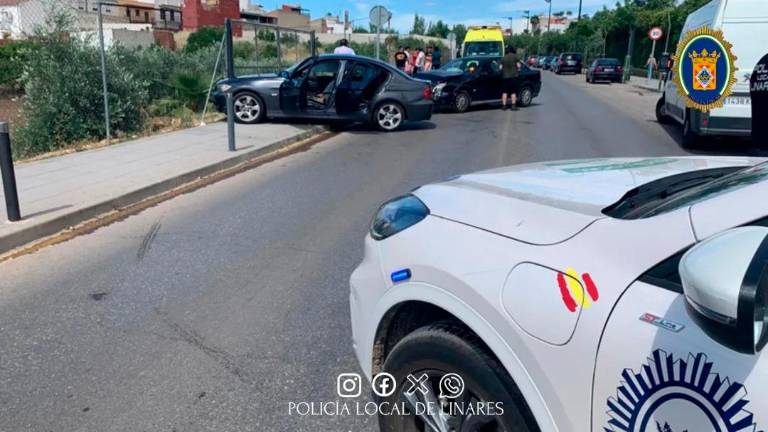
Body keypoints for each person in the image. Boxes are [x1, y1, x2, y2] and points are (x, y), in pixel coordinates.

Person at [500, 45, 521, 110]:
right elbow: (518, 66)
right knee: (513, 92)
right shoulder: (515, 57)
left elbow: (500, 68)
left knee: (504, 92)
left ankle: (504, 106)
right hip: (513, 77)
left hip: (505, 77)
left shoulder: (503, 58)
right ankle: (513, 106)